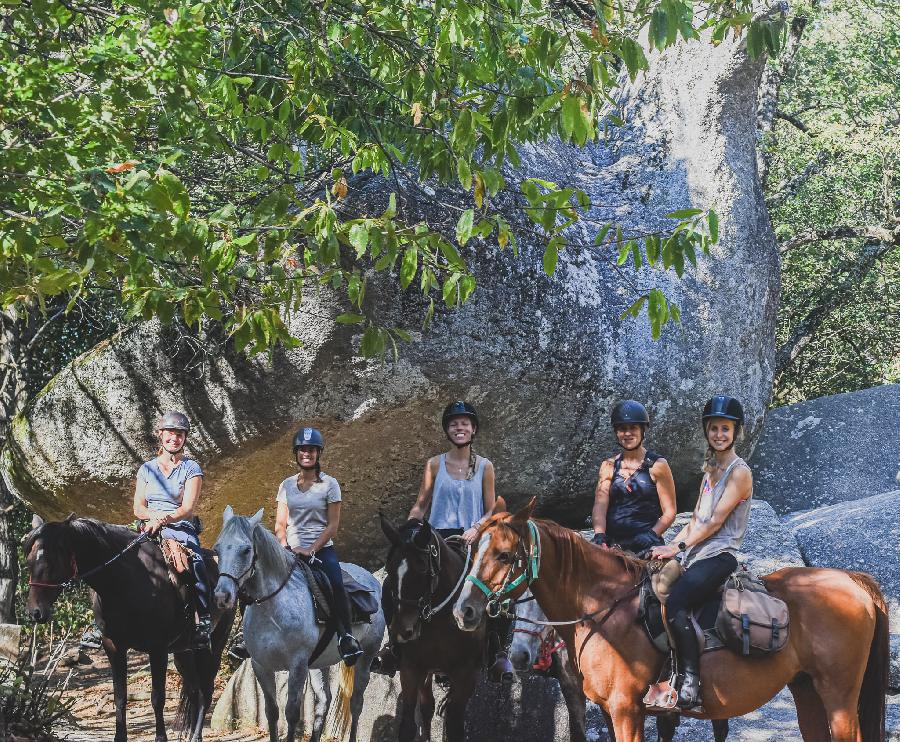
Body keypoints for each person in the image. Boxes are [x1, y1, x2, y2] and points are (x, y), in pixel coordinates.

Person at [372, 400, 512, 681]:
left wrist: (477, 528)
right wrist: (410, 529)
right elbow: (421, 505)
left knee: (499, 587)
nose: (459, 427)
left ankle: (497, 651)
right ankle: (395, 645)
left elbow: (492, 507)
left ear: (474, 429)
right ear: (447, 430)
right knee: (394, 582)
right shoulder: (434, 464)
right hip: (435, 538)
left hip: (472, 538)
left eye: (464, 423)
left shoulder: (485, 466)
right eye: (453, 424)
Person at [649, 395, 753, 710]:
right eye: (714, 428)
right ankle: (663, 666)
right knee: (652, 586)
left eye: (725, 428)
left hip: (721, 555)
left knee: (679, 599)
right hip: (695, 553)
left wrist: (678, 546)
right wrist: (670, 549)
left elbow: (714, 522)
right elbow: (695, 520)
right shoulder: (711, 470)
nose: (719, 434)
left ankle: (690, 681)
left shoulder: (739, 471)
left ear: (736, 432)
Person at [275, 426, 363, 665]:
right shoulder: (286, 485)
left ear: (318, 453)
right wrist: (285, 547)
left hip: (321, 549)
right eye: (303, 449)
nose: (307, 454)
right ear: (296, 452)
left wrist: (311, 549)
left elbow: (333, 526)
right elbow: (280, 524)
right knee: (256, 576)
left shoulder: (330, 484)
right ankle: (246, 637)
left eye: (312, 450)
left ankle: (346, 637)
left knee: (336, 583)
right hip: (289, 550)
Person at [133, 411, 212, 648]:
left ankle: (204, 621)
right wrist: (153, 518)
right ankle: (103, 624)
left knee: (196, 563)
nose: (174, 439)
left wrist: (163, 520)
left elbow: (187, 507)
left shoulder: (191, 468)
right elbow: (138, 507)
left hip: (179, 527)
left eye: (179, 434)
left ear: (185, 438)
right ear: (161, 435)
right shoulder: (147, 469)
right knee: (120, 557)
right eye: (170, 433)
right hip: (149, 526)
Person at [591, 400, 677, 553]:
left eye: (633, 428)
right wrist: (599, 535)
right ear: (616, 433)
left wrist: (652, 534)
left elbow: (670, 511)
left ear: (643, 430)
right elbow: (600, 506)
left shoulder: (657, 465)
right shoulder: (608, 466)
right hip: (614, 545)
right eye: (622, 429)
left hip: (646, 543)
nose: (628, 433)